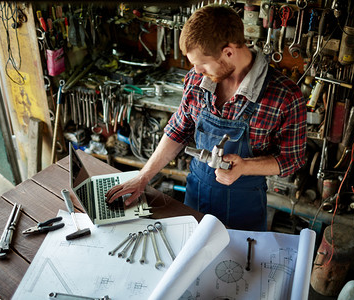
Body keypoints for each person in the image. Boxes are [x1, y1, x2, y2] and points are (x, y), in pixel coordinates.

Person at [106, 4, 306, 231]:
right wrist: (143, 177)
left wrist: (244, 167)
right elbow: (178, 130)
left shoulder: (285, 96)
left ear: (228, 52)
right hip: (196, 199)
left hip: (244, 210)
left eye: (202, 65)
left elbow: (292, 160)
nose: (197, 72)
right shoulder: (196, 80)